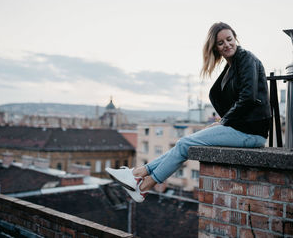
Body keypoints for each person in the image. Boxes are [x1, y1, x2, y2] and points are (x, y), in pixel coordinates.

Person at [106, 22, 272, 202]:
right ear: (215, 48)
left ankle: (143, 185)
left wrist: (224, 121)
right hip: (241, 128)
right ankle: (138, 175)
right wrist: (225, 120)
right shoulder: (232, 66)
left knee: (185, 144)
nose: (227, 45)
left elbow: (248, 98)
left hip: (251, 132)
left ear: (235, 38)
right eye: (221, 42)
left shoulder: (246, 59)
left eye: (229, 39)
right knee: (183, 143)